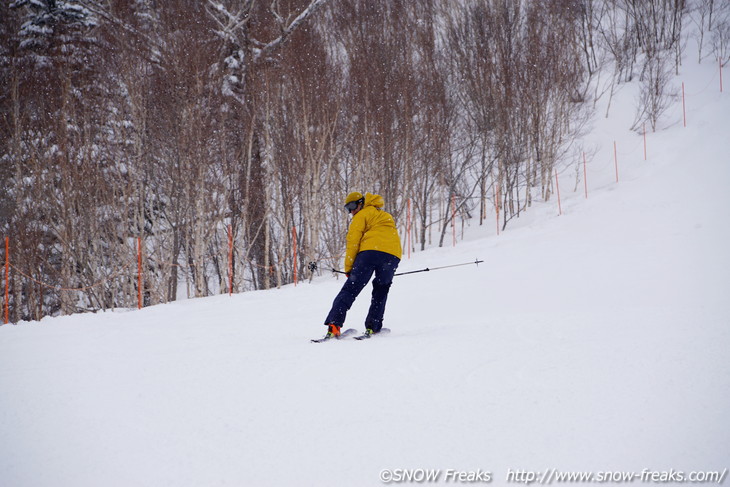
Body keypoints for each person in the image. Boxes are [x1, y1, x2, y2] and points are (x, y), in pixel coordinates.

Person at [321, 191, 402, 339]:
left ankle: (334, 326)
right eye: (347, 209)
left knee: (350, 289)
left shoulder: (362, 215)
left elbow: (353, 241)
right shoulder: (385, 215)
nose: (351, 211)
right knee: (381, 290)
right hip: (392, 255)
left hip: (369, 253)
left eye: (352, 206)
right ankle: (374, 326)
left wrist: (349, 268)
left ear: (361, 203)